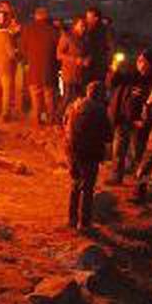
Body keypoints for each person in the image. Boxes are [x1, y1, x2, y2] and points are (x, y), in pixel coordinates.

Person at [62, 80, 113, 230]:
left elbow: (64, 122)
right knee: (88, 188)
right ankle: (84, 223)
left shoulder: (73, 106)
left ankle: (71, 219)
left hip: (72, 151)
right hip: (90, 153)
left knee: (75, 184)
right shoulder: (99, 111)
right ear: (100, 94)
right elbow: (108, 136)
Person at [107, 51, 152, 184]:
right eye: (139, 60)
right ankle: (116, 177)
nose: (140, 63)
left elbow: (151, 103)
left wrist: (144, 120)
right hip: (122, 120)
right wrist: (114, 67)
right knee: (118, 151)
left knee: (137, 153)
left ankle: (139, 182)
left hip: (138, 123)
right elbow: (112, 83)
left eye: (144, 61)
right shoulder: (131, 75)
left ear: (150, 64)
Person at [20, 7, 60, 125]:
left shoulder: (28, 29)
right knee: (49, 97)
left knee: (36, 97)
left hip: (33, 70)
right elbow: (58, 48)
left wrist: (28, 59)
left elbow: (22, 48)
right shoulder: (53, 30)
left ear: (36, 16)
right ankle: (51, 119)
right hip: (49, 69)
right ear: (46, 17)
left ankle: (37, 120)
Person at [56, 17, 91, 113]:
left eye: (85, 26)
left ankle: (73, 119)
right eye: (81, 25)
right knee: (67, 97)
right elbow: (59, 54)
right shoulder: (67, 36)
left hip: (81, 74)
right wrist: (75, 60)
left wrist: (87, 59)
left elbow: (87, 52)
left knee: (79, 99)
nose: (83, 28)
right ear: (75, 25)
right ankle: (57, 118)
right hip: (69, 73)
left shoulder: (85, 38)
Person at [83, 7, 115, 85]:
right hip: (89, 65)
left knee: (97, 86)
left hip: (98, 66)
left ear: (96, 18)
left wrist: (109, 63)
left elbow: (110, 47)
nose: (87, 19)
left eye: (89, 17)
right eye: (87, 17)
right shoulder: (87, 29)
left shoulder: (104, 31)